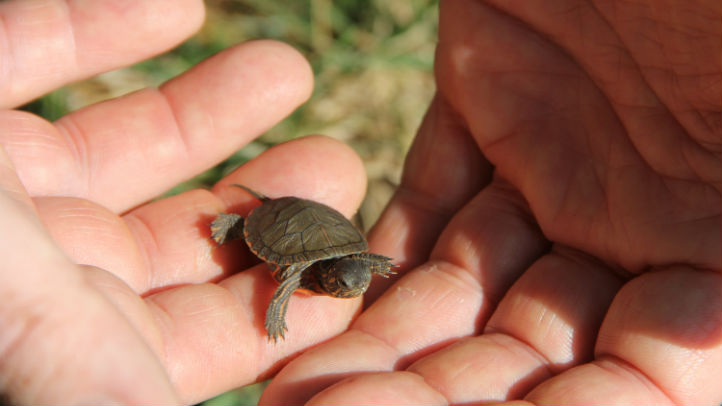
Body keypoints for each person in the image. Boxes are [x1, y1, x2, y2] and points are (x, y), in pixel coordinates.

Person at [0, 0, 719, 404]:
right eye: (350, 280)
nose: (349, 284)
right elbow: (289, 272)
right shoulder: (298, 269)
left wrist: (370, 266)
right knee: (237, 223)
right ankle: (232, 215)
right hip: (281, 219)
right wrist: (269, 299)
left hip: (324, 229)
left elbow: (356, 262)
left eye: (352, 278)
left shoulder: (350, 266)